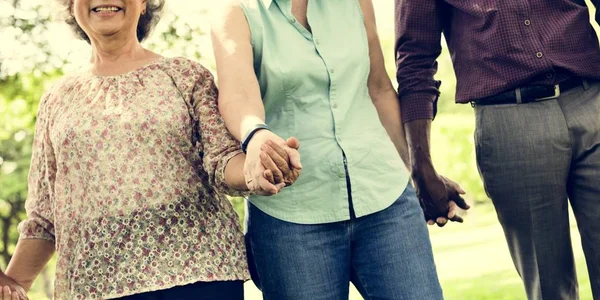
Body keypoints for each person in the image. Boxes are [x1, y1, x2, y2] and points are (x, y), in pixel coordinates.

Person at [0, 0, 300, 299]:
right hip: (98, 285)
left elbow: (224, 162)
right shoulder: (57, 101)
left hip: (198, 277)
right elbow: (44, 217)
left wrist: (258, 170)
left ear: (144, 4)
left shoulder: (185, 76)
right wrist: (14, 284)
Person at [211, 0, 470, 299]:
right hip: (293, 217)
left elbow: (379, 89)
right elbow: (237, 94)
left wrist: (420, 172)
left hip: (385, 199)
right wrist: (255, 135)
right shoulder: (236, 10)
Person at [395, 0, 600, 299]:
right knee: (549, 287)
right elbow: (415, 58)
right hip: (511, 121)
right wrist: (420, 165)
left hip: (591, 99)